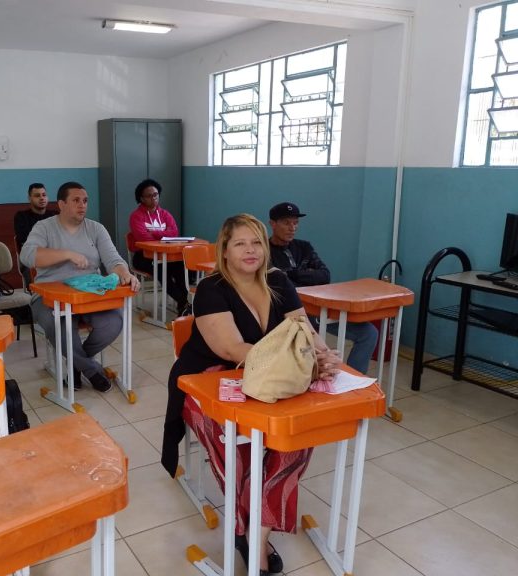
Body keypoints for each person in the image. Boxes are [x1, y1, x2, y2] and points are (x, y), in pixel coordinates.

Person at [162, 214, 341, 575]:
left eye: (257, 242)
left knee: (296, 437)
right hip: (206, 379)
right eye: (240, 243)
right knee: (238, 446)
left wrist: (323, 356)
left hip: (276, 379)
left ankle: (254, 534)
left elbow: (304, 330)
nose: (250, 250)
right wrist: (301, 366)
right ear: (225, 251)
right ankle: (252, 537)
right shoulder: (211, 287)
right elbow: (233, 349)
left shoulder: (279, 280)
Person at [20, 181, 140, 392]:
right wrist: (67, 254)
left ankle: (77, 365)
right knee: (60, 326)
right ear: (61, 204)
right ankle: (92, 370)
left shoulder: (96, 228)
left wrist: (125, 273)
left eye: (85, 200)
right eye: (76, 200)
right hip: (50, 296)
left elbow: (113, 260)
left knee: (114, 321)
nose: (82, 205)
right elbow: (28, 256)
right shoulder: (44, 227)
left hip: (89, 294)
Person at [268, 202, 378, 374]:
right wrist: (305, 275)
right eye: (286, 223)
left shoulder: (304, 247)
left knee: (369, 333)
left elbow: (324, 275)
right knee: (307, 345)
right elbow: (278, 285)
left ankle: (354, 378)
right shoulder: (264, 251)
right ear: (273, 224)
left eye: (296, 223)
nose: (292, 228)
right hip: (289, 314)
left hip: (318, 309)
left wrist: (292, 273)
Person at [128, 178, 190, 315]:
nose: (153, 198)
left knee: (180, 265)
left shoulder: (165, 214)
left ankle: (183, 305)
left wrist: (153, 233)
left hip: (165, 255)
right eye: (149, 196)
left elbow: (174, 233)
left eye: (156, 194)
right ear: (141, 198)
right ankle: (184, 303)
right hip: (143, 256)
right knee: (162, 269)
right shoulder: (136, 216)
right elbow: (142, 237)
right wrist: (164, 235)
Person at [14, 183, 58, 289]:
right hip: (32, 260)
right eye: (37, 195)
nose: (42, 198)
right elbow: (25, 241)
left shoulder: (55, 216)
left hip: (56, 258)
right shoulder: (22, 217)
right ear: (30, 198)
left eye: (44, 195)